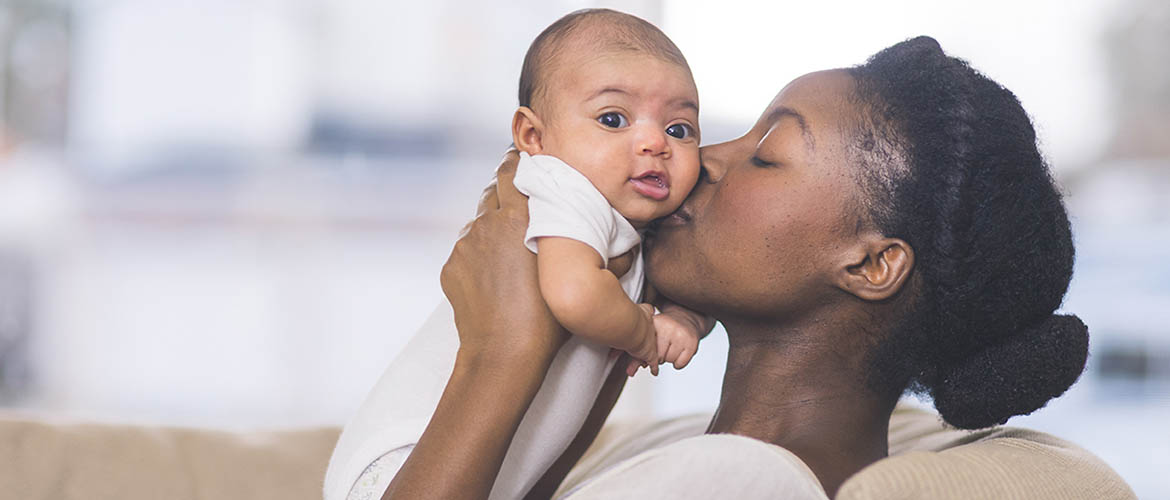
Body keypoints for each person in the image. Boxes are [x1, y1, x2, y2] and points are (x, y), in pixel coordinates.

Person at [372, 35, 1097, 499]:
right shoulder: (707, 453)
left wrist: (498, 353)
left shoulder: (739, 481)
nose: (704, 160)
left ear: (873, 264)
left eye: (766, 154)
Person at [324, 9, 714, 500]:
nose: (655, 142)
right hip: (405, 459)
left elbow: (695, 286)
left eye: (680, 129)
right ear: (534, 138)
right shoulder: (561, 188)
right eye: (613, 119)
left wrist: (685, 319)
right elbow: (574, 294)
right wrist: (645, 331)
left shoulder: (635, 222)